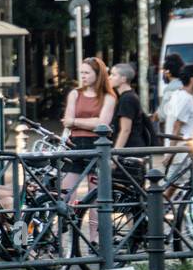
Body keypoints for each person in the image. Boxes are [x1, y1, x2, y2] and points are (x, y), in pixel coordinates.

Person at [61, 58, 116, 226]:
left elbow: (102, 124)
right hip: (75, 144)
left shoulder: (108, 97)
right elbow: (66, 120)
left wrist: (76, 122)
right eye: (81, 72)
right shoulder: (75, 94)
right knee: (65, 192)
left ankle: (95, 240)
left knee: (96, 197)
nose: (83, 76)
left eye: (87, 73)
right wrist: (89, 122)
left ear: (98, 75)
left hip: (97, 145)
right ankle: (64, 237)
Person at [110, 63, 151, 181]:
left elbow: (125, 129)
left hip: (130, 152)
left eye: (113, 74)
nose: (110, 77)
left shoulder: (126, 99)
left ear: (123, 79)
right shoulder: (129, 96)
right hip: (132, 150)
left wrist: (115, 155)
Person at [161, 62, 193, 145]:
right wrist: (170, 155)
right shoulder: (186, 99)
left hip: (182, 151)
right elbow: (177, 127)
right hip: (183, 152)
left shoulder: (177, 94)